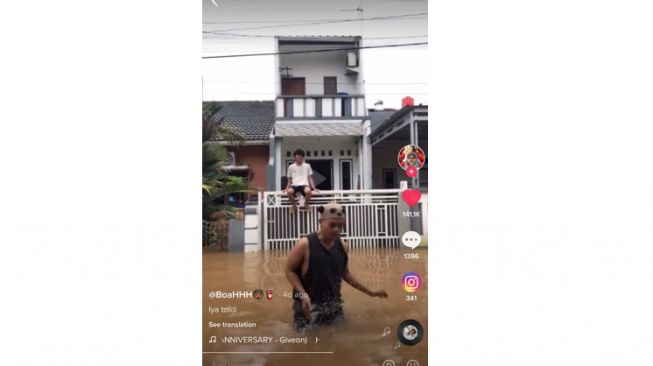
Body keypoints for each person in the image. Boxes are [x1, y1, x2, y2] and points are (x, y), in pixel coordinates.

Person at [284, 202, 388, 332]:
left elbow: (345, 273)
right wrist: (303, 294)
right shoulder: (305, 245)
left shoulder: (342, 246)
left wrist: (369, 292)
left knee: (338, 337)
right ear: (320, 222)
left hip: (333, 304)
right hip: (308, 304)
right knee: (305, 342)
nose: (337, 230)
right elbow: (289, 270)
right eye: (332, 225)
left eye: (340, 226)